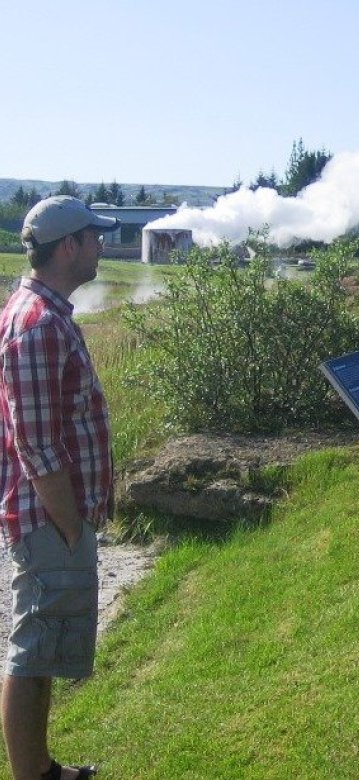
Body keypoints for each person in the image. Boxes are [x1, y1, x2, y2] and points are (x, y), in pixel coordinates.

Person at [1, 196, 118, 780]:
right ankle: (31, 776)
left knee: (44, 647)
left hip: (55, 516)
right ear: (69, 246)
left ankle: (41, 769)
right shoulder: (39, 324)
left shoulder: (44, 312)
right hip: (49, 517)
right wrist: (70, 524)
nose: (101, 246)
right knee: (32, 649)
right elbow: (37, 444)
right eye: (94, 237)